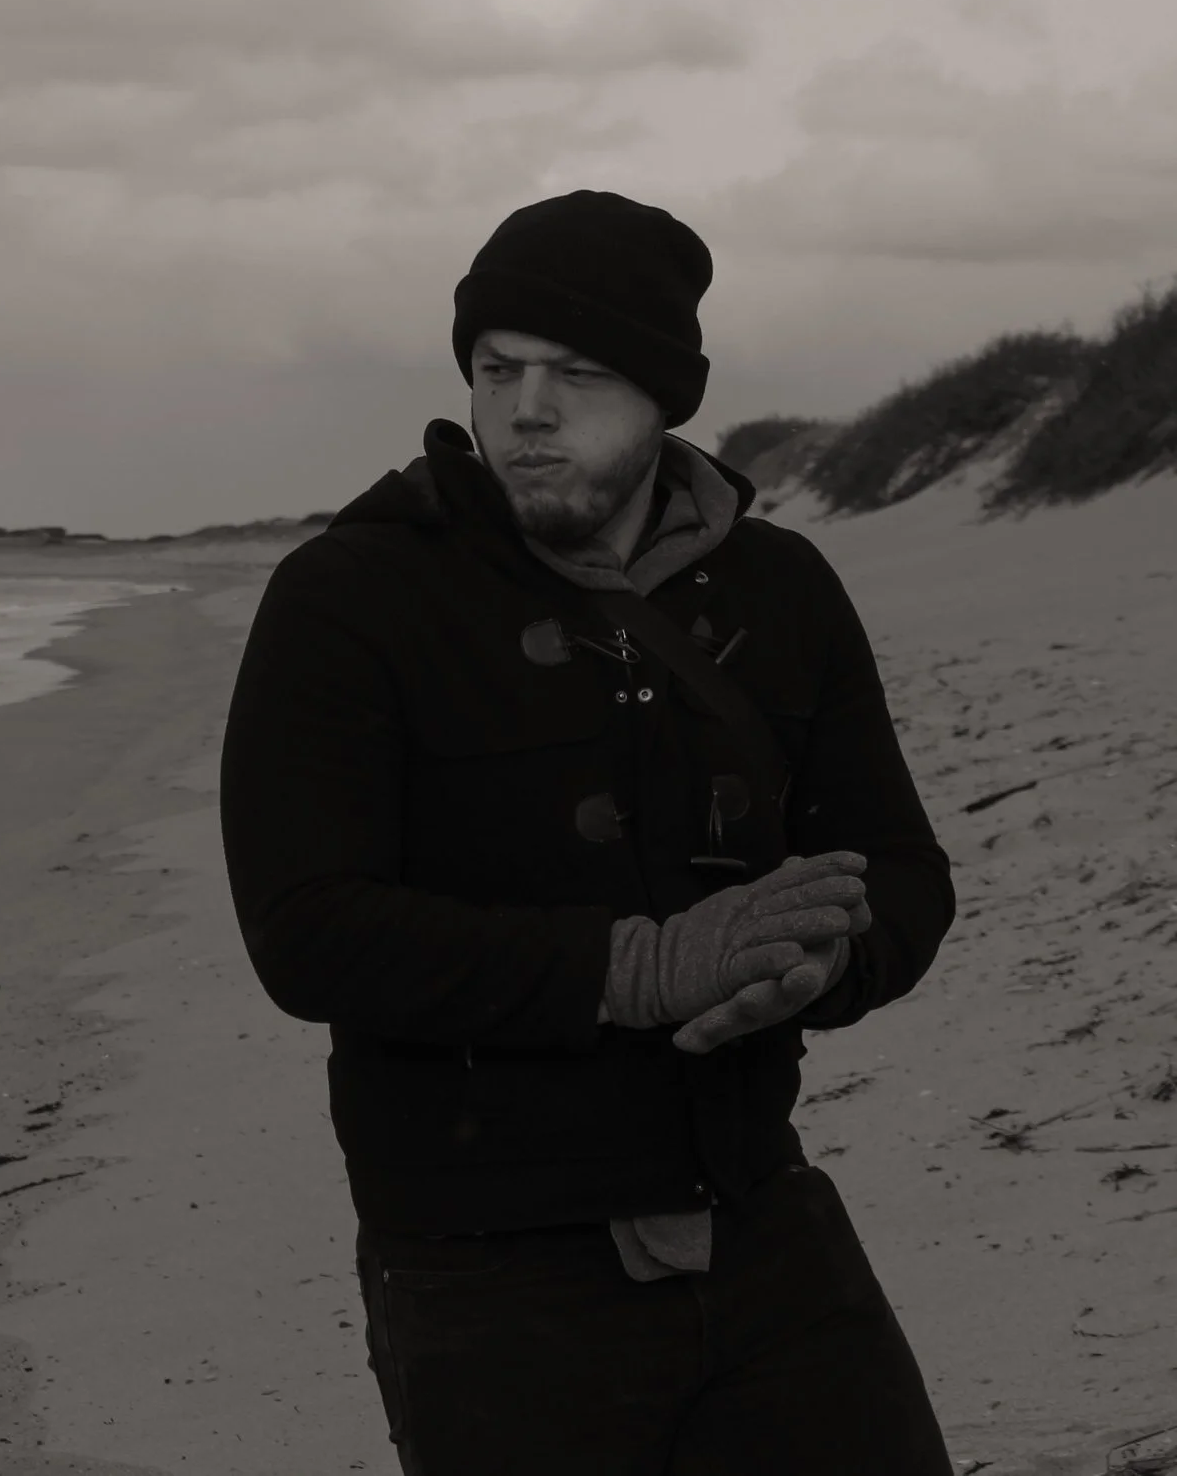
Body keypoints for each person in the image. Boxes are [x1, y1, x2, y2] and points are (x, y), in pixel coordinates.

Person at [218, 190, 958, 1474]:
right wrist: (637, 967)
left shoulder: (781, 590)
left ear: (664, 394)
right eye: (495, 369)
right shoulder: (352, 594)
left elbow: (901, 872)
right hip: (481, 1261)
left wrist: (826, 959)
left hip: (756, 1212)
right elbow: (308, 929)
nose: (524, 409)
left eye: (577, 372)